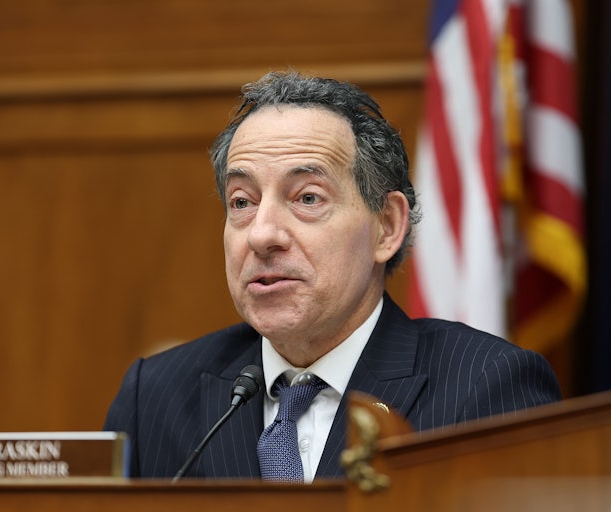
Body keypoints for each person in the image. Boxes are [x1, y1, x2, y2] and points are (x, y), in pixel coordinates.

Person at [103, 71, 561, 482]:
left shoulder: (487, 389)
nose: (262, 234)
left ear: (386, 227)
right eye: (242, 202)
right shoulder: (156, 396)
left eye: (306, 198)